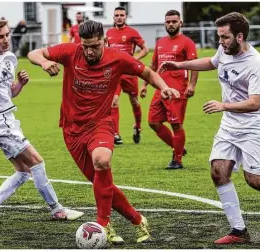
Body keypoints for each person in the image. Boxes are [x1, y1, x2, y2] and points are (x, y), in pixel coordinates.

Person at [159, 12, 260, 244]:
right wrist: (179, 64)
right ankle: (239, 231)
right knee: (218, 172)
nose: (220, 42)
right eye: (219, 37)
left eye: (225, 37)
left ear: (240, 37)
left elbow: (254, 103)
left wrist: (223, 105)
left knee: (255, 180)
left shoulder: (255, 63)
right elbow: (211, 61)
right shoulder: (225, 50)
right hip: (230, 123)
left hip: (254, 124)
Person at [27, 20, 180, 244]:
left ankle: (103, 223)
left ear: (105, 42)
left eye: (95, 46)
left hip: (100, 124)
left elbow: (147, 73)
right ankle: (137, 220)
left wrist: (164, 87)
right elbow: (34, 52)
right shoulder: (71, 52)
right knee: (100, 181)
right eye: (85, 46)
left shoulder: (117, 58)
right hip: (72, 130)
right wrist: (43, 62)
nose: (89, 51)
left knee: (101, 160)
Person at [0, 18, 84, 224]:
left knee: (23, 171)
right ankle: (57, 210)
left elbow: (9, 93)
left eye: (7, 34)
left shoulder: (10, 58)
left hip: (7, 118)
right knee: (37, 162)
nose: (5, 40)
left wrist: (20, 84)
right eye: (0, 37)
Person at [140, 10, 198, 169]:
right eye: (168, 21)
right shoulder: (160, 42)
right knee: (153, 122)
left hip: (177, 91)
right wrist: (145, 85)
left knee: (176, 125)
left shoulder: (187, 42)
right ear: (164, 23)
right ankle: (178, 146)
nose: (170, 24)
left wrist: (192, 85)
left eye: (174, 21)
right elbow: (153, 65)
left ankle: (177, 160)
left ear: (180, 23)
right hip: (160, 89)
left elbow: (194, 65)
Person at [106, 6, 149, 145]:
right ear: (113, 17)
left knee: (134, 101)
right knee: (114, 101)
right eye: (117, 15)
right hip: (114, 73)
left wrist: (134, 60)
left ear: (125, 17)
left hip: (129, 73)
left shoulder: (132, 32)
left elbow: (145, 49)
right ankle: (116, 134)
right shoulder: (109, 33)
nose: (119, 17)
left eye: (122, 15)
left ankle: (137, 126)